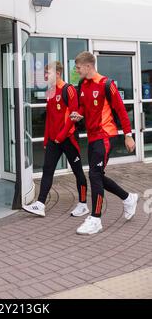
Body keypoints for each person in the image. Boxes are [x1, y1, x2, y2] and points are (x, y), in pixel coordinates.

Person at [70, 51, 138, 235]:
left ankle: (96, 218)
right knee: (97, 175)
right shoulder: (82, 84)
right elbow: (83, 106)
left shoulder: (107, 84)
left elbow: (122, 112)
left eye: (78, 68)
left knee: (94, 175)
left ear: (88, 66)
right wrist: (79, 114)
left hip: (106, 136)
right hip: (92, 137)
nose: (77, 71)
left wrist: (128, 135)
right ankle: (128, 198)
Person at [22, 61, 89, 218]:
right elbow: (50, 119)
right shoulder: (50, 91)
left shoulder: (69, 90)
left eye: (48, 73)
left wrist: (60, 137)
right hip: (54, 140)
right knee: (47, 170)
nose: (46, 76)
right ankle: (40, 204)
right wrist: (47, 140)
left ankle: (83, 204)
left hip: (68, 138)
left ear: (57, 73)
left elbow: (72, 117)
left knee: (77, 171)